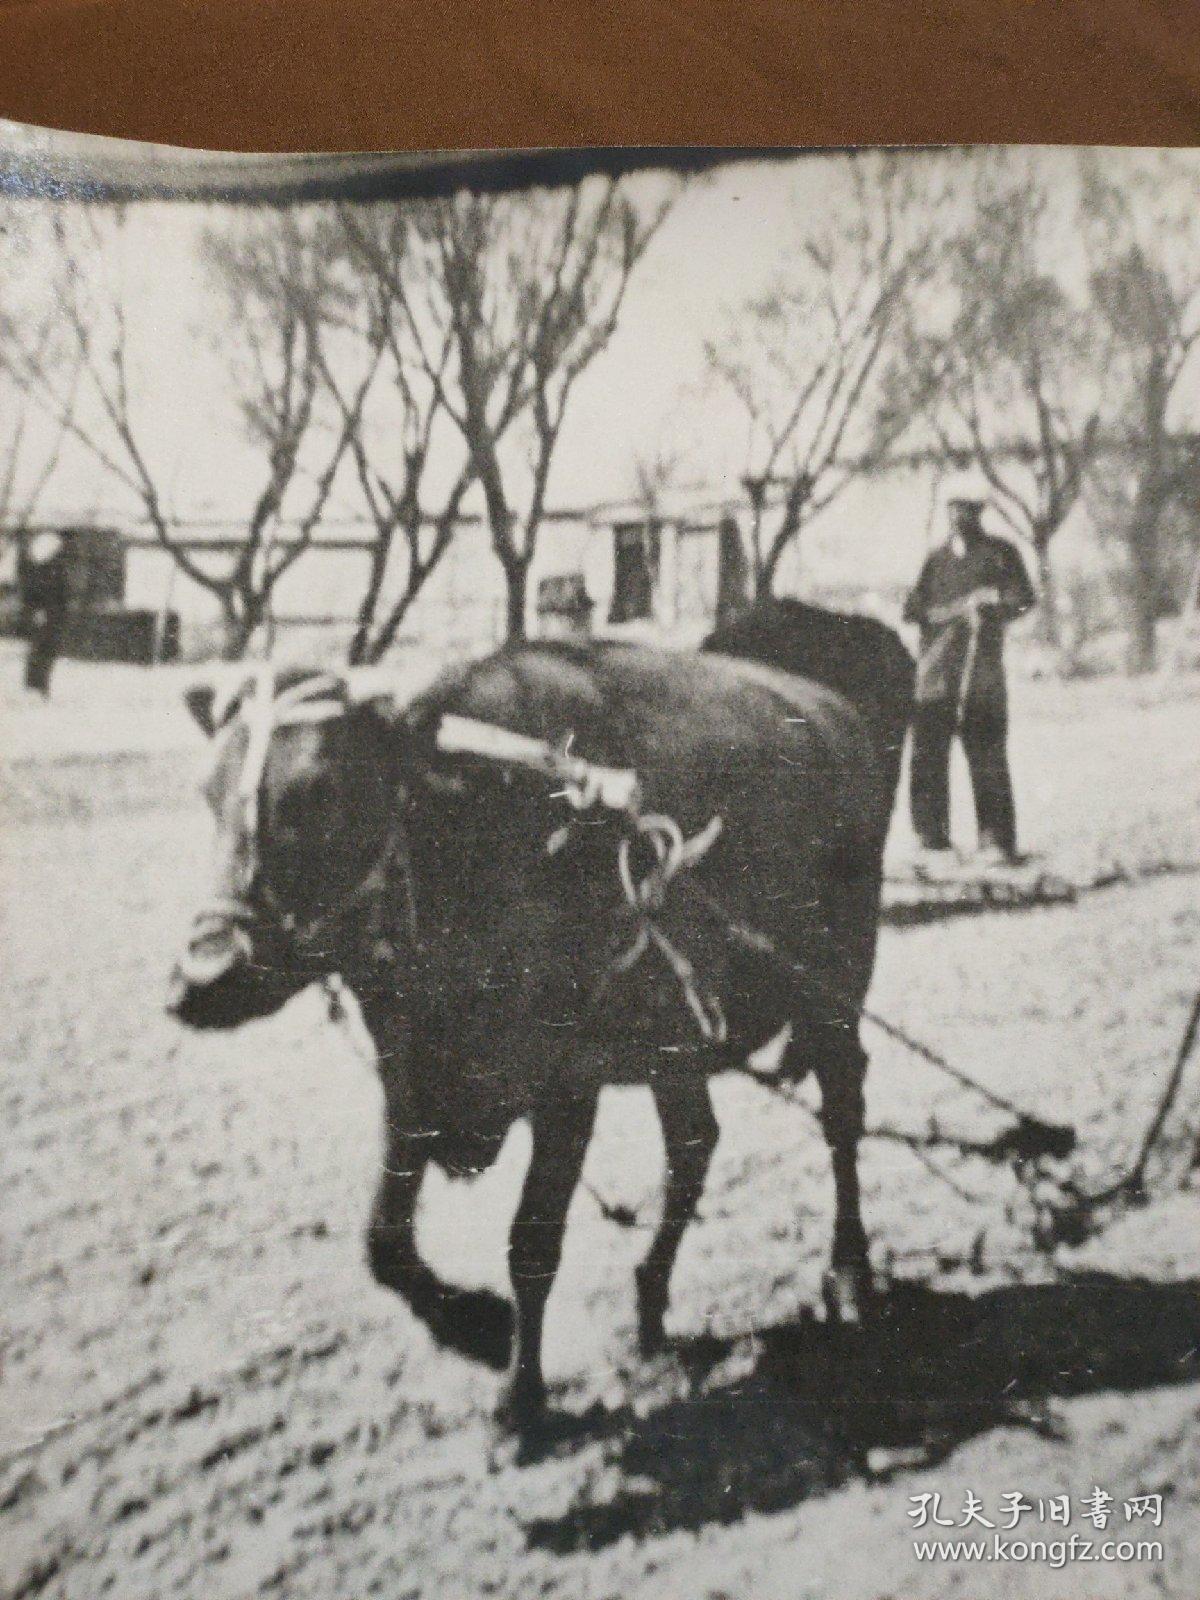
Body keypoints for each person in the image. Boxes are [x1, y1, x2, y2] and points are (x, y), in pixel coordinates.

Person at [903, 490, 1036, 866]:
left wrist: (994, 603)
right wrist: (950, 612)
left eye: (969, 508)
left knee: (986, 746)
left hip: (981, 671)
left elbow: (1024, 597)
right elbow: (913, 609)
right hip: (938, 673)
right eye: (955, 507)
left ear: (981, 511)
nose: (961, 514)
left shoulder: (1000, 553)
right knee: (928, 750)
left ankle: (995, 838)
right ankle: (931, 838)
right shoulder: (937, 560)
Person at [21, 529, 71, 697]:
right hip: (46, 615)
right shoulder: (46, 571)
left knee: (44, 650)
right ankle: (37, 685)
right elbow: (34, 594)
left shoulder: (50, 569)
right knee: (42, 650)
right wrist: (37, 610)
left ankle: (38, 684)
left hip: (51, 615)